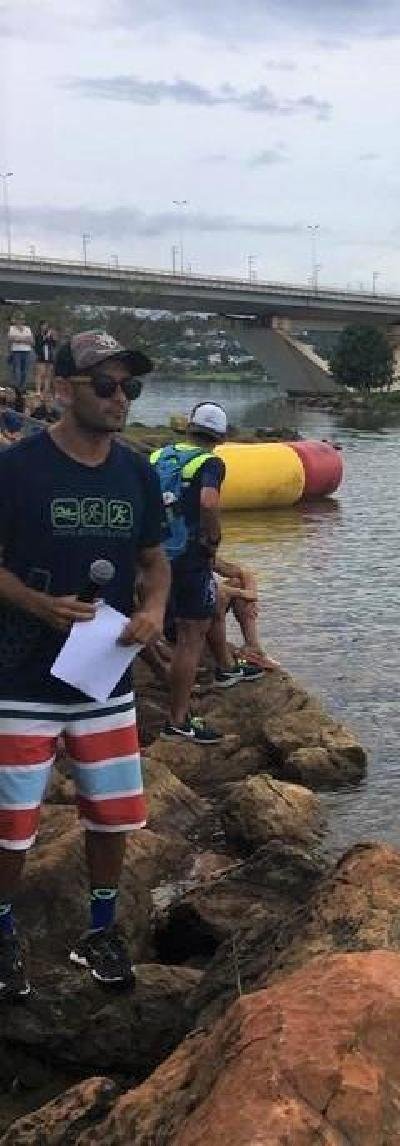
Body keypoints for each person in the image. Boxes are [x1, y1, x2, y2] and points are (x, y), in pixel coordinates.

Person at [0, 330, 169, 998]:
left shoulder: (136, 473)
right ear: (64, 388)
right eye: (105, 385)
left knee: (112, 815)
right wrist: (36, 603)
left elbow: (155, 562)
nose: (120, 397)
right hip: (21, 679)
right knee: (12, 825)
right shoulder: (18, 469)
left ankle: (101, 929)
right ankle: (3, 934)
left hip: (105, 679)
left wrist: (153, 611)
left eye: (130, 387)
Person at [150, 402, 240, 743]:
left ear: (189, 427)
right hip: (188, 558)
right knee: (191, 636)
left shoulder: (159, 456)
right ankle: (179, 718)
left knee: (154, 621)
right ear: (219, 435)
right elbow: (207, 501)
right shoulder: (211, 462)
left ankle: (223, 669)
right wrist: (212, 538)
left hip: (153, 554)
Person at [208, 557, 276, 672]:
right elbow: (206, 586)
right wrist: (243, 594)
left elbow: (243, 572)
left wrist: (251, 595)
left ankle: (252, 647)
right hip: (181, 615)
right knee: (221, 596)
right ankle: (225, 666)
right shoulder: (179, 554)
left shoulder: (201, 550)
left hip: (201, 604)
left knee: (238, 582)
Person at [5, 314, 34, 414]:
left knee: (25, 370)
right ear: (16, 321)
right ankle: (17, 387)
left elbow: (31, 341)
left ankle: (23, 387)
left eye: (22, 319)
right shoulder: (12, 328)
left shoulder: (27, 329)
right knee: (17, 369)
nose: (20, 321)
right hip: (16, 351)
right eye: (19, 319)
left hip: (26, 351)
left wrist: (19, 339)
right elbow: (11, 339)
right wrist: (23, 339)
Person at [33, 322, 59, 413]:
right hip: (41, 356)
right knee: (41, 373)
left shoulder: (50, 335)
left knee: (48, 374)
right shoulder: (38, 335)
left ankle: (46, 390)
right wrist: (46, 336)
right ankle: (38, 390)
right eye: (44, 325)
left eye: (47, 325)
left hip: (50, 356)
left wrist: (53, 337)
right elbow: (39, 344)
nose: (45, 327)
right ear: (40, 326)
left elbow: (54, 344)